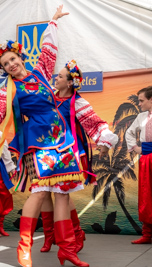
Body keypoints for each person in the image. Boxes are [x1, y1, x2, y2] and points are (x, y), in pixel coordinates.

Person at [0, 5, 90, 267]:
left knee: (63, 193)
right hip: (37, 142)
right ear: (3, 69)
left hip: (61, 137)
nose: (11, 64)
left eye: (13, 59)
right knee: (40, 192)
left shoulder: (41, 72)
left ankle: (66, 248)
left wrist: (52, 22)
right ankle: (25, 246)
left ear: (20, 57)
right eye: (6, 63)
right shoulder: (7, 91)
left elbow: (48, 51)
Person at [39, 60, 118, 253]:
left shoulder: (77, 102)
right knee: (44, 194)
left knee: (61, 193)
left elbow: (95, 123)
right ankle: (50, 236)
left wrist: (104, 142)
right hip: (45, 152)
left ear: (69, 83)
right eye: (56, 75)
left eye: (59, 76)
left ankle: (73, 233)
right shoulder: (49, 96)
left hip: (66, 154)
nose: (55, 78)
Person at [125, 85, 152, 244]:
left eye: (142, 101)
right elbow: (129, 132)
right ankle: (147, 234)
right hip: (147, 157)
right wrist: (135, 148)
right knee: (146, 195)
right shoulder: (141, 117)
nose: (139, 104)